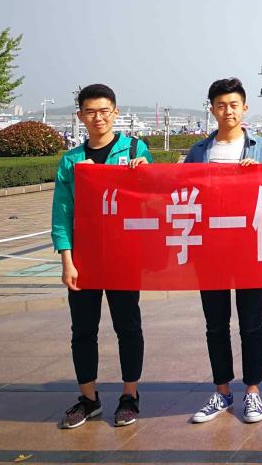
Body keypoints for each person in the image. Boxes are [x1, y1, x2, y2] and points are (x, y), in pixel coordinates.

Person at [52, 84, 153, 429]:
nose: (98, 118)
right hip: (85, 260)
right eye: (90, 112)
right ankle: (89, 399)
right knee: (83, 330)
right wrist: (67, 260)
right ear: (80, 116)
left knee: (128, 327)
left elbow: (154, 198)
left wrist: (146, 172)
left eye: (104, 110)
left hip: (124, 257)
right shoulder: (71, 161)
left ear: (116, 112)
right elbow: (62, 214)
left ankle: (130, 396)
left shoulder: (136, 150)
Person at [185, 78, 262, 425]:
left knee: (251, 323)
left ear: (244, 108)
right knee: (215, 324)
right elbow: (178, 189)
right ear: (211, 109)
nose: (228, 111)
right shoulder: (199, 151)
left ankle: (253, 391)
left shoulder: (261, 148)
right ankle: (222, 391)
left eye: (234, 105)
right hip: (210, 249)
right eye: (221, 105)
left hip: (250, 247)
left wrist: (261, 176)